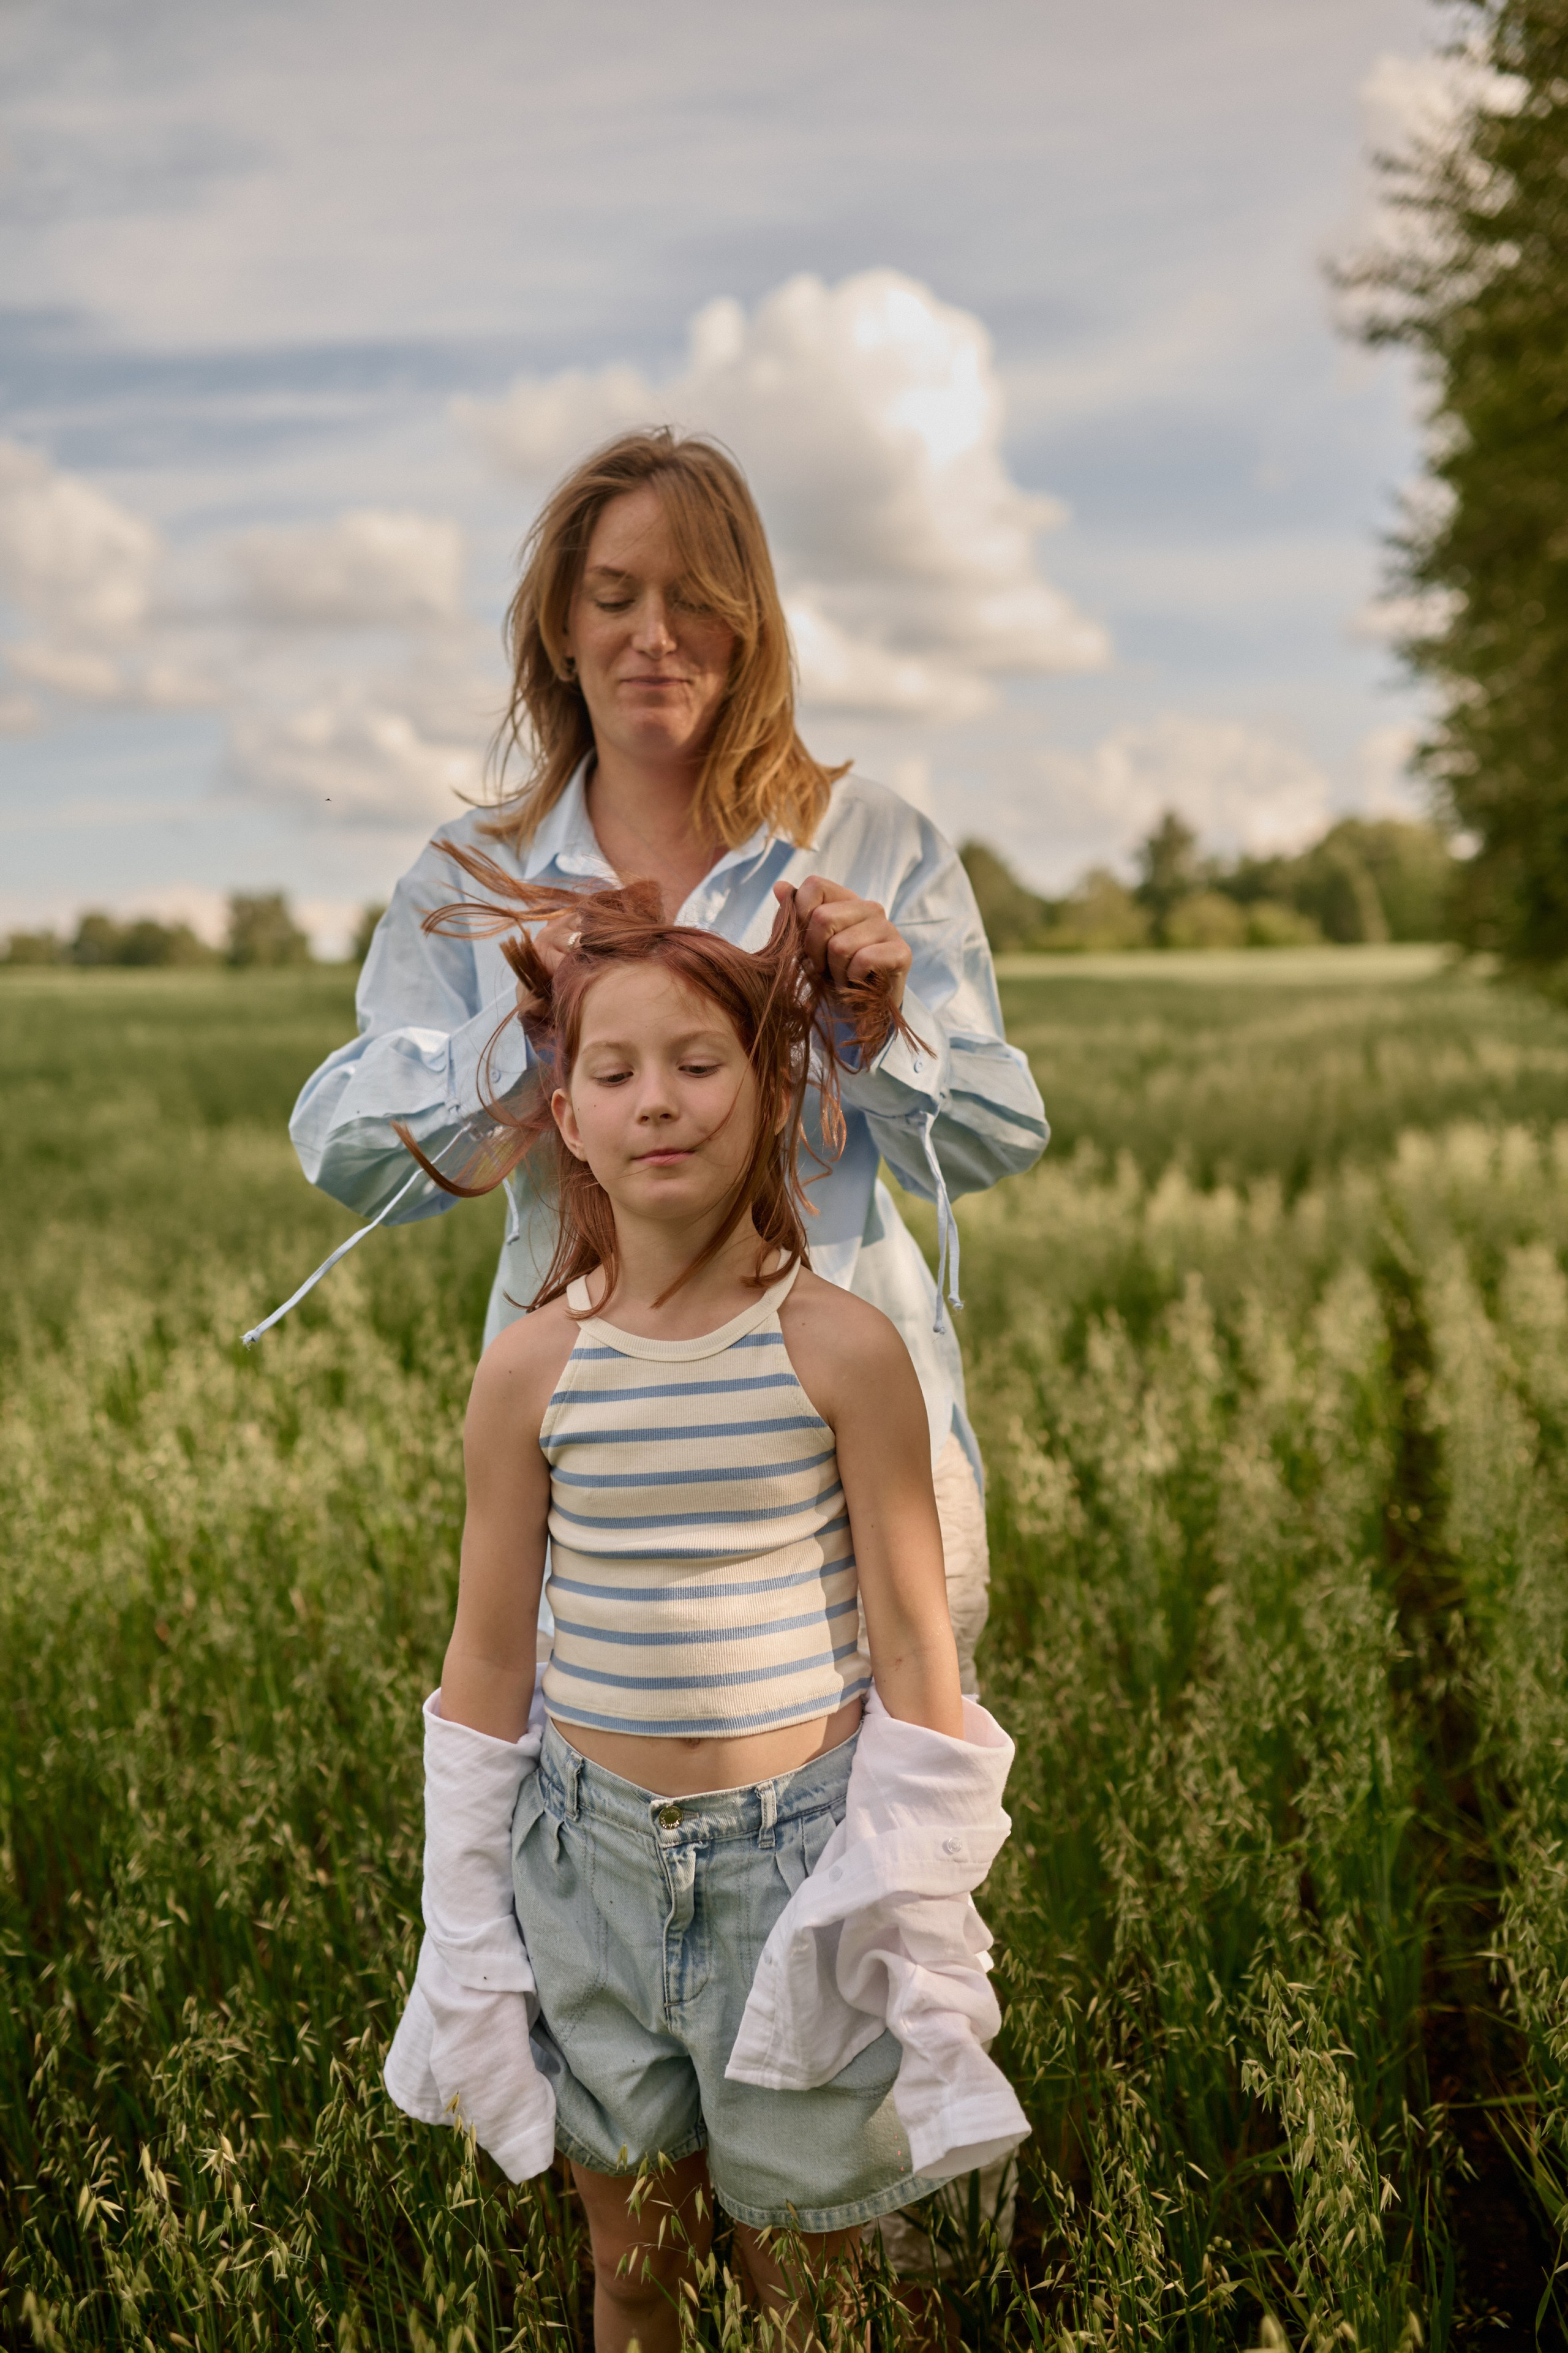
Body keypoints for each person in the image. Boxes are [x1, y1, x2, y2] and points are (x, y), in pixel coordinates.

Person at [288, 427, 1048, 1708]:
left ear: (750, 625)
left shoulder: (873, 842)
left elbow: (997, 1134)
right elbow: (343, 1150)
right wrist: (521, 1044)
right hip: (594, 1459)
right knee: (609, 1866)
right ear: (560, 632)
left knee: (887, 1869)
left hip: (855, 1451)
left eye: (695, 597)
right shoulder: (472, 872)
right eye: (616, 597)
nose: (656, 633)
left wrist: (878, 1035)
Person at [382, 876, 1026, 2349]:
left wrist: (918, 1892)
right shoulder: (532, 1370)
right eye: (613, 1071)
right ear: (568, 1114)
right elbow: (486, 1659)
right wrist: (460, 1918)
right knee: (632, 2264)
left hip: (792, 1871)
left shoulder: (841, 1348)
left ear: (770, 1091)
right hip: (585, 1867)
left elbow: (919, 1646)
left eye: (697, 1063)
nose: (656, 1101)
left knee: (806, 2279)